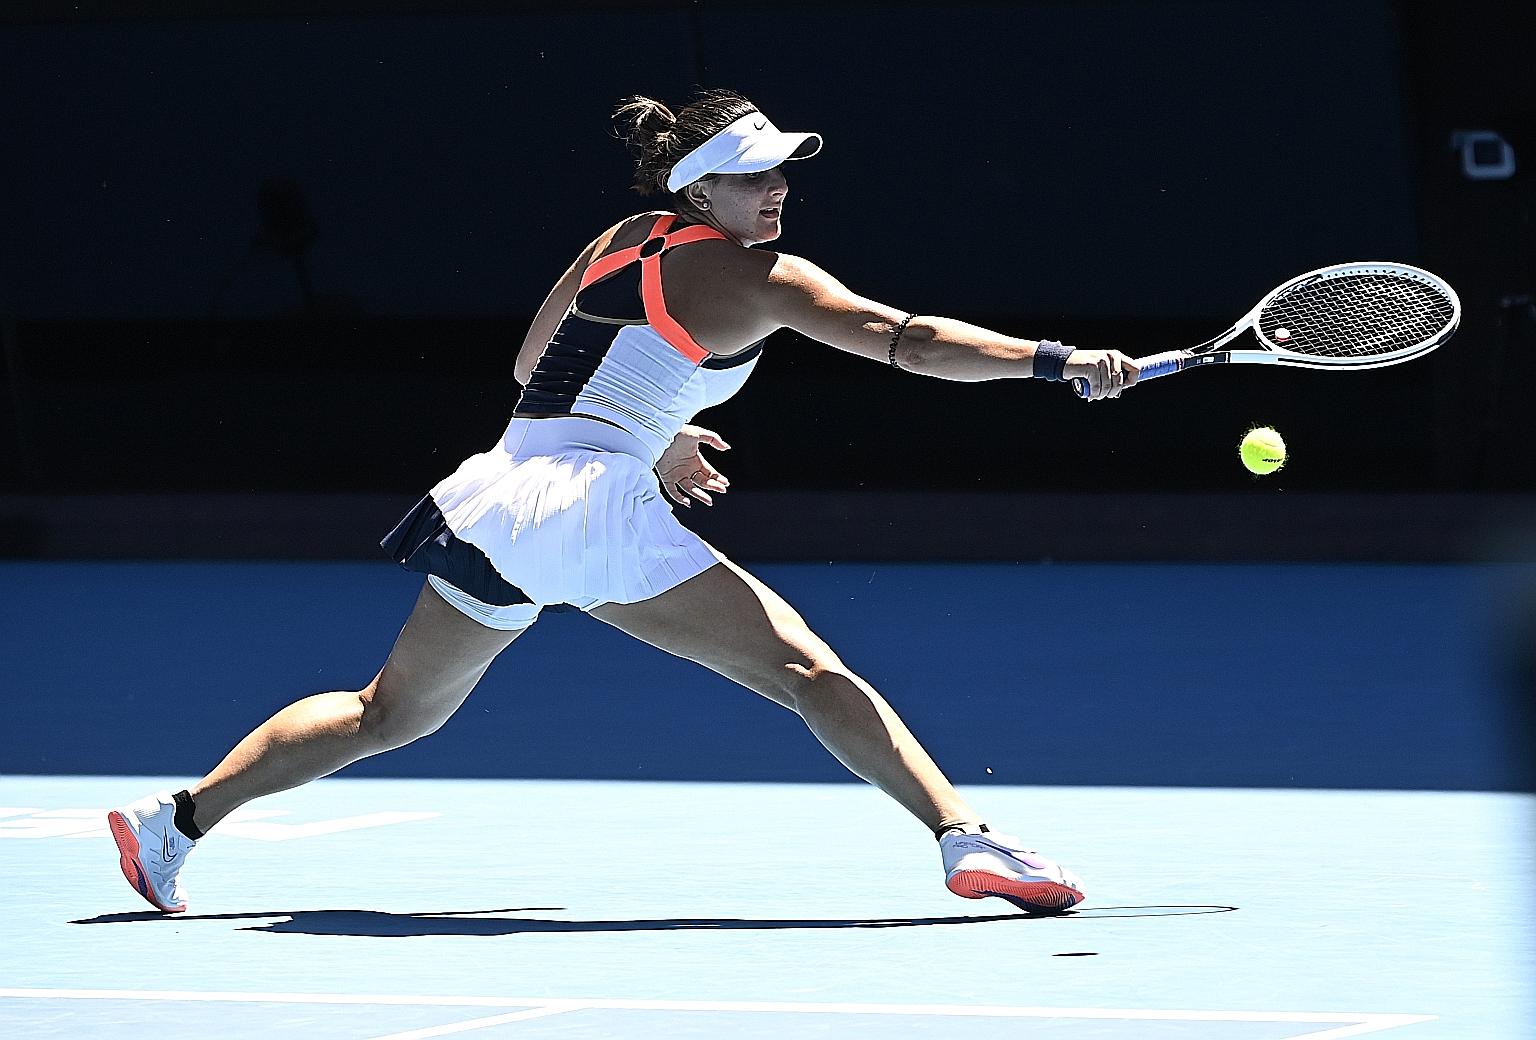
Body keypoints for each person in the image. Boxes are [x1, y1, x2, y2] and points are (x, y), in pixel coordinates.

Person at [108, 89, 1138, 918]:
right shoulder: (761, 278)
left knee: (389, 712)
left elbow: (533, 363)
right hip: (586, 506)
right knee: (806, 668)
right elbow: (907, 339)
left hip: (504, 493)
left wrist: (660, 426)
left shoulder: (626, 233)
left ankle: (176, 822)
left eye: (782, 169)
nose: (777, 187)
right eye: (751, 174)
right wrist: (1054, 362)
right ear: (701, 188)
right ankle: (964, 838)